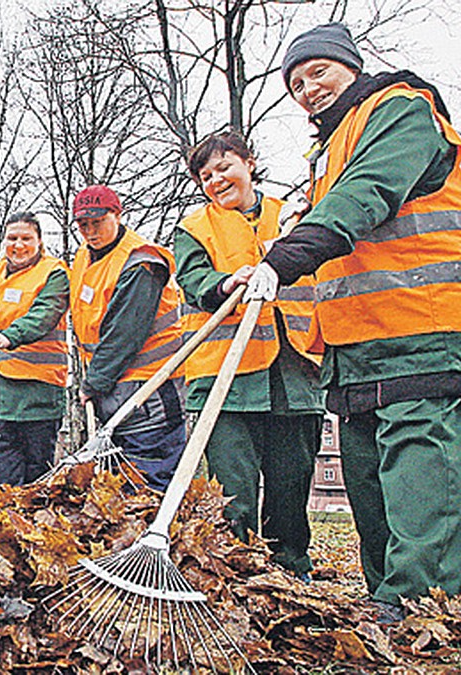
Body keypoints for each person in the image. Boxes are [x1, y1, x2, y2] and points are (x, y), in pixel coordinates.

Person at [254, 23, 461, 621]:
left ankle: (420, 600)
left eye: (319, 73)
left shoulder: (400, 109)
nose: (307, 89)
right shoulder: (326, 153)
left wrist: (288, 254)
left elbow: (368, 192)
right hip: (357, 337)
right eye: (295, 83)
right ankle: (384, 592)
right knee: (365, 472)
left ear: (351, 68)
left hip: (422, 324)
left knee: (419, 463)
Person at [174, 131, 321, 577]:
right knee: (233, 490)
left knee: (291, 486)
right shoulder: (195, 228)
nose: (216, 180)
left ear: (249, 162)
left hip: (294, 375)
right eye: (205, 176)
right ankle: (235, 571)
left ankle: (290, 569)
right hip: (226, 380)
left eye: (224, 167)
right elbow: (194, 279)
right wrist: (226, 283)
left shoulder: (293, 220)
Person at [69, 186, 186, 491]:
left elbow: (124, 335)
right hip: (114, 387)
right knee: (118, 485)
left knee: (148, 481)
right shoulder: (84, 257)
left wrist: (92, 383)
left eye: (98, 222)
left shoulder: (141, 262)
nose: (91, 232)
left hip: (151, 390)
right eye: (83, 225)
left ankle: (153, 534)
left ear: (118, 215)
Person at [0, 212, 70, 503]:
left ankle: (32, 530)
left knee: (35, 466)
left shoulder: (54, 273)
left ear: (39, 241)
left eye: (26, 238)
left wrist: (8, 336)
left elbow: (45, 314)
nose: (19, 245)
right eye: (12, 238)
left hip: (36, 389)